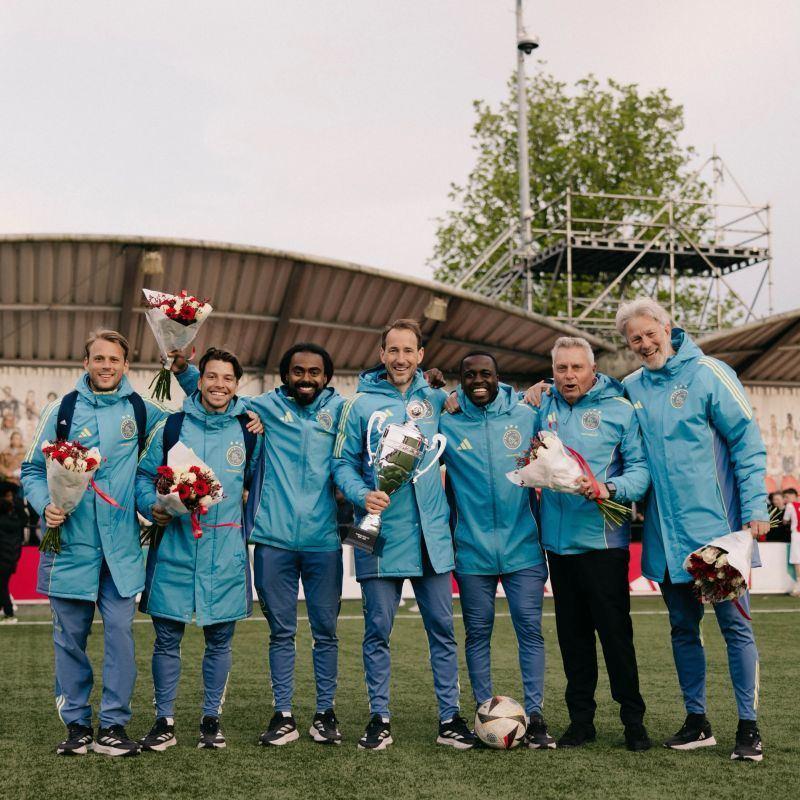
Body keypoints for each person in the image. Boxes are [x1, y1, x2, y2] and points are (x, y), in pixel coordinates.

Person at [616, 297, 768, 762]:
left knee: (734, 630)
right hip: (665, 538)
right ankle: (697, 721)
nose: (644, 344)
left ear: (668, 326)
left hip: (717, 537)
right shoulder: (631, 387)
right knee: (683, 630)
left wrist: (756, 506)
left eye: (649, 333)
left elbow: (747, 441)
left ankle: (748, 726)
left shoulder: (709, 373)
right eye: (634, 339)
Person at [172, 343, 346, 747]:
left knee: (326, 632)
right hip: (273, 540)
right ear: (285, 375)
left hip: (324, 541)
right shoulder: (262, 407)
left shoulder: (341, 410)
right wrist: (182, 371)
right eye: (298, 370)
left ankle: (325, 712)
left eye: (315, 372)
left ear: (327, 376)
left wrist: (440, 395)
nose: (307, 378)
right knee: (281, 632)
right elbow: (219, 392)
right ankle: (282, 713)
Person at [21, 330, 168, 756]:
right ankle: (77, 725)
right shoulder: (60, 409)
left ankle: (115, 726)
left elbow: (189, 421)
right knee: (70, 640)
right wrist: (45, 504)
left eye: (114, 359)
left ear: (126, 364)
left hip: (121, 549)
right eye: (98, 358)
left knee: (121, 635)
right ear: (85, 362)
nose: (106, 366)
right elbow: (31, 470)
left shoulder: (142, 410)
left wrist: (250, 418)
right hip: (69, 546)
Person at [333, 319, 474, 750]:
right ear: (381, 355)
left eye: (408, 351)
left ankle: (449, 718)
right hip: (378, 533)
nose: (400, 359)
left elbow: (479, 404)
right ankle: (379, 717)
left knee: (443, 631)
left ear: (420, 356)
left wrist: (529, 393)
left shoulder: (436, 400)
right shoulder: (357, 405)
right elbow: (341, 464)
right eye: (392, 350)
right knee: (377, 630)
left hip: (431, 536)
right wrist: (363, 495)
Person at [136, 348, 262, 751]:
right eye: (211, 376)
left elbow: (261, 482)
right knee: (166, 640)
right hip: (173, 548)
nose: (219, 384)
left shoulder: (250, 429)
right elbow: (142, 477)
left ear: (237, 384)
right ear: (199, 379)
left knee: (220, 642)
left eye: (228, 378)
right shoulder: (171, 427)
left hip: (226, 552)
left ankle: (211, 719)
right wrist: (151, 507)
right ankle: (164, 720)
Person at [537, 337, 650, 751]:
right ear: (553, 372)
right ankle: (581, 722)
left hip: (604, 544)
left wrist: (608, 487)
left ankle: (633, 722)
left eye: (576, 368)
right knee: (573, 639)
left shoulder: (619, 409)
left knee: (616, 637)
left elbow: (641, 472)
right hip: (558, 546)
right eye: (561, 368)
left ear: (592, 369)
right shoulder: (542, 406)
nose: (569, 376)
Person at [438, 352, 554, 749]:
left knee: (529, 631)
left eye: (485, 373)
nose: (478, 381)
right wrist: (437, 388)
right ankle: (485, 711)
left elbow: (561, 408)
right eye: (469, 375)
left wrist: (546, 387)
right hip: (471, 551)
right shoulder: (447, 418)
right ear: (461, 380)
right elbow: (415, 401)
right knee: (478, 633)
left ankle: (535, 716)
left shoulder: (526, 414)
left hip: (524, 548)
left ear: (498, 377)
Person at [0, 481, 26, 624]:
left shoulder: (7, 520)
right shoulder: (16, 520)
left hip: (5, 557)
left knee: (2, 586)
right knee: (3, 585)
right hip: (11, 557)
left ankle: (9, 614)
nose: (11, 498)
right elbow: (25, 518)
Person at [783, 488, 800, 596]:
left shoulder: (790, 505)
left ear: (793, 495)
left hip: (797, 535)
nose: (786, 499)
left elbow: (785, 520)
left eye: (787, 497)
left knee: (797, 560)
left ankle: (798, 587)